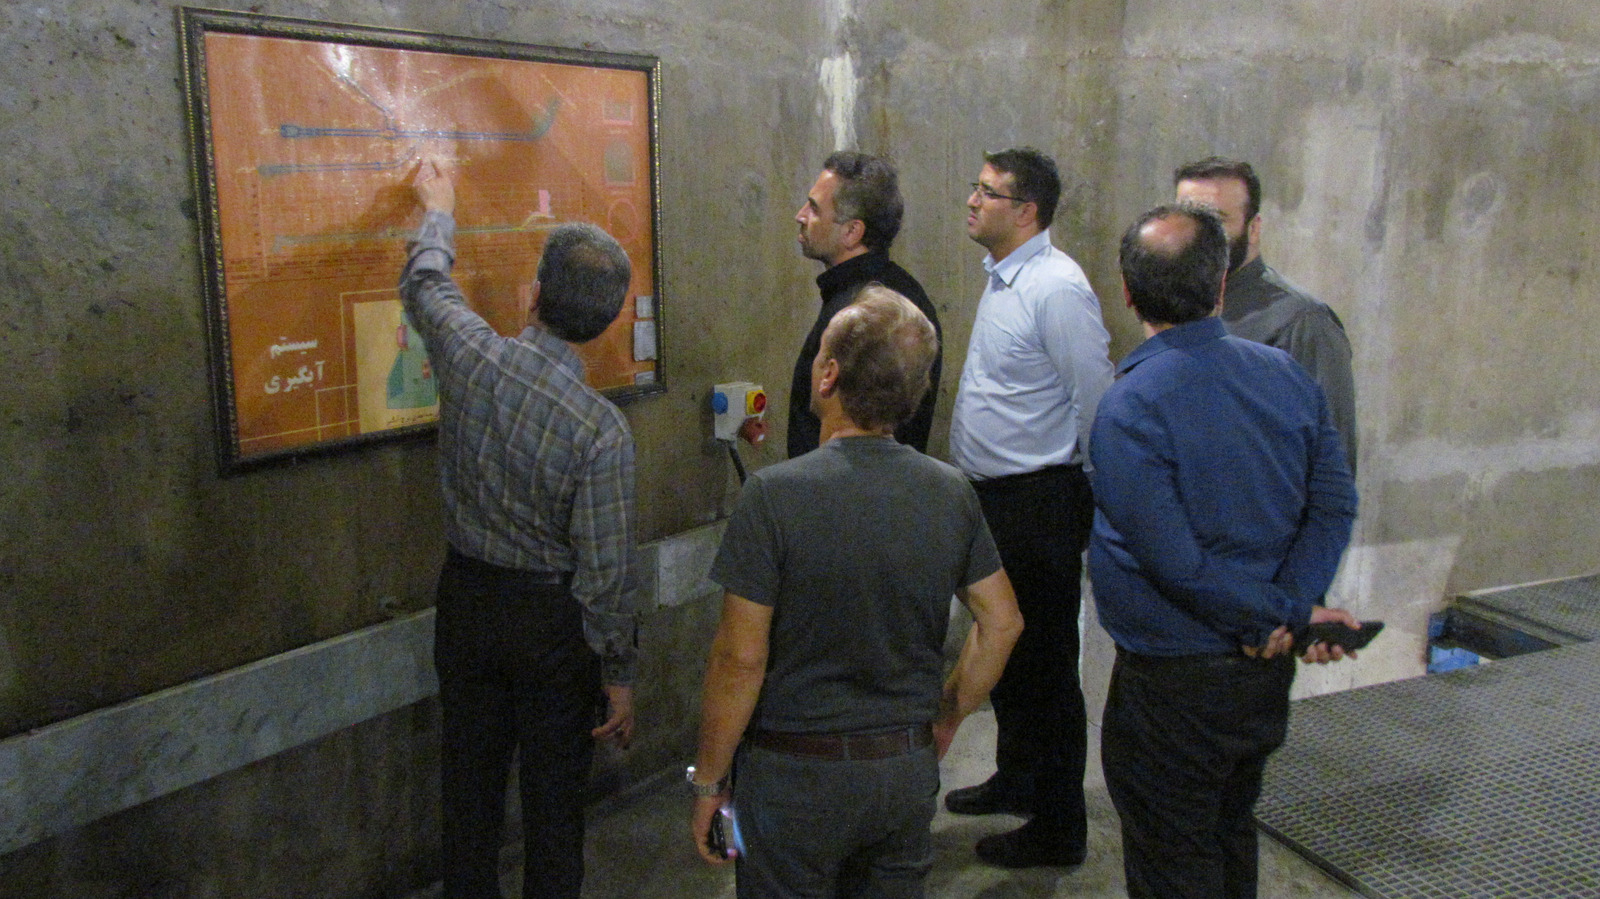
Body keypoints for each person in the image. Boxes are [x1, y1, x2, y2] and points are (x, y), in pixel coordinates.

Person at [690, 287, 1023, 897]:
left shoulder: (773, 497)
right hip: (902, 772)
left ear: (829, 376)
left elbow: (740, 659)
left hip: (794, 779)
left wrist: (710, 781)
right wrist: (946, 717)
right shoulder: (951, 492)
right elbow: (1002, 623)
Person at [1090, 203, 1360, 899]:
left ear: (1127, 292)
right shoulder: (1285, 375)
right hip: (1261, 673)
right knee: (1230, 828)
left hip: (1174, 685)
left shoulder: (1130, 405)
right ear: (1220, 285)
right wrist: (1291, 610)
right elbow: (1333, 504)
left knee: (1173, 857)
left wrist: (1279, 614)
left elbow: (1177, 565)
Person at [400, 157, 639, 899]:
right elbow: (605, 576)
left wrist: (438, 208)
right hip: (552, 626)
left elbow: (426, 284)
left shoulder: (472, 356)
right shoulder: (601, 431)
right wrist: (618, 674)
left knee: (468, 790)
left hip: (467, 601)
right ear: (606, 323)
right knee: (554, 806)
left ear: (532, 294)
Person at [943, 147, 1114, 867]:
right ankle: (1017, 777)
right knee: (1005, 649)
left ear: (1027, 212)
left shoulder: (1057, 287)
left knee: (1044, 664)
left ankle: (1059, 824)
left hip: (1037, 500)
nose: (973, 200)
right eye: (976, 186)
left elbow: (1095, 397)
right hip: (992, 497)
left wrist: (1083, 499)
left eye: (988, 192)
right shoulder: (1004, 276)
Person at [1174, 156, 1358, 472]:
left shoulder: (1302, 323)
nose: (1198, 236)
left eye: (1215, 220)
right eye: (1186, 219)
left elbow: (1332, 464)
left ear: (1254, 228)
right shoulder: (1174, 306)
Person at [788, 151, 942, 457]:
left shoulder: (871, 311)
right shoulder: (879, 292)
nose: (800, 215)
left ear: (852, 232)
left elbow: (867, 441)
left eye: (814, 208)